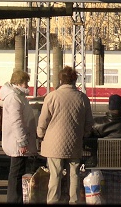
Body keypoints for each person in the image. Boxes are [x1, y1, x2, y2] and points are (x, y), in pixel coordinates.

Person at [36, 66, 94, 204]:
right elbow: (89, 121)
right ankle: (74, 201)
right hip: (74, 142)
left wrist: (40, 133)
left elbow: (43, 119)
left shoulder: (51, 96)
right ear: (75, 80)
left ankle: (53, 200)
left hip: (53, 143)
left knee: (55, 174)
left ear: (60, 80)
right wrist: (85, 134)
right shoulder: (82, 98)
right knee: (74, 174)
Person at [0, 69, 38, 204]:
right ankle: (14, 199)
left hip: (18, 140)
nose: (27, 85)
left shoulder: (17, 96)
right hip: (17, 142)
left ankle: (16, 199)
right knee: (16, 173)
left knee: (17, 172)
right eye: (26, 82)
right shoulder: (14, 98)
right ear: (19, 82)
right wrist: (22, 142)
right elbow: (16, 121)